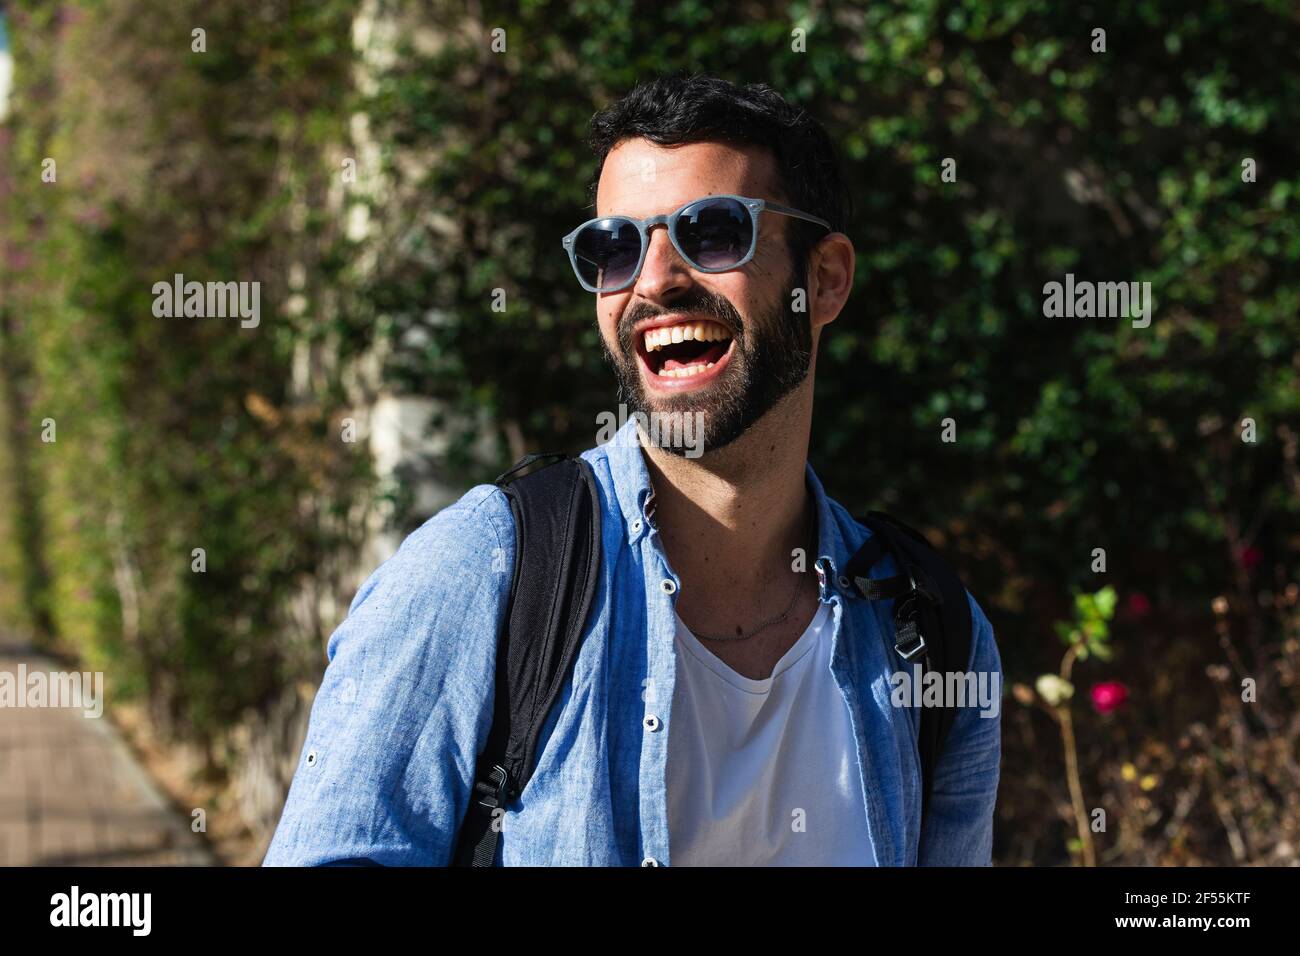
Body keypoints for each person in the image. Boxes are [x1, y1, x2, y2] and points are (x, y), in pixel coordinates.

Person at [264, 72, 1001, 867]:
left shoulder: (931, 634)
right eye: (613, 248)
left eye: (713, 232)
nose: (652, 282)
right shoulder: (484, 572)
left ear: (824, 280)